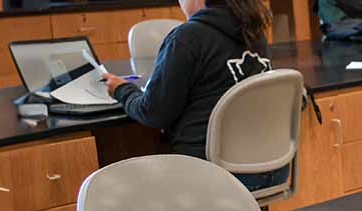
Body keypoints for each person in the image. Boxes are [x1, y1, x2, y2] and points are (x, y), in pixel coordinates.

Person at [102, 0, 285, 192]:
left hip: (211, 174)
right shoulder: (254, 33)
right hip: (268, 167)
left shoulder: (186, 38)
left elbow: (154, 112)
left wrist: (122, 90)